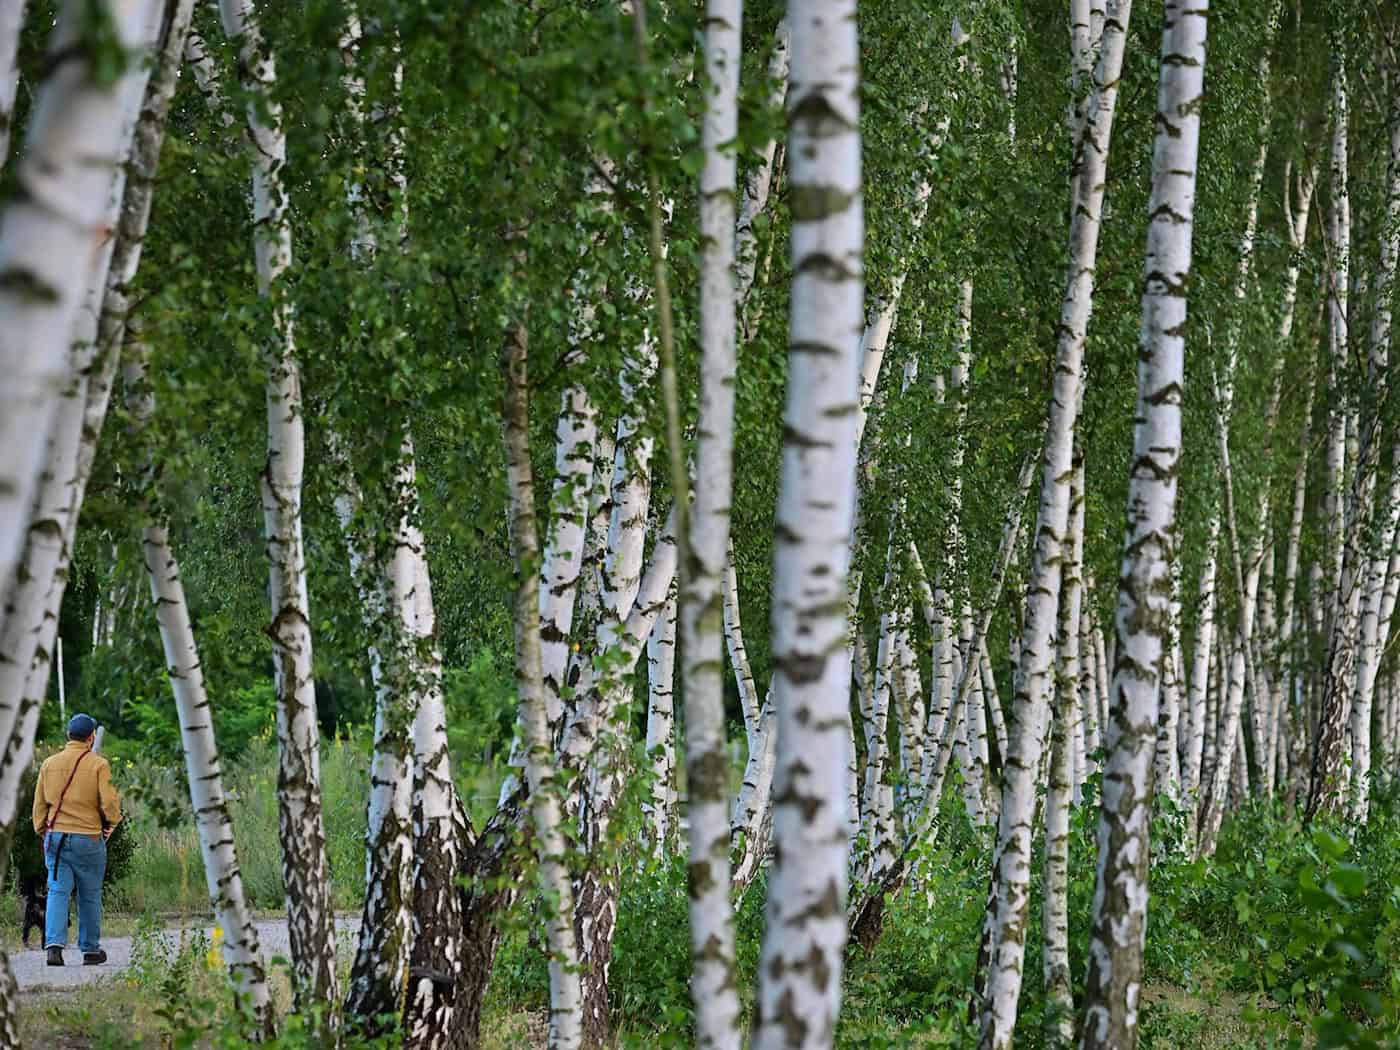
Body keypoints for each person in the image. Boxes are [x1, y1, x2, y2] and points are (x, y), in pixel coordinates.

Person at [31, 713, 121, 966]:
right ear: (91, 737)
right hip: (88, 838)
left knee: (58, 890)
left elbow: (39, 806)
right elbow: (110, 803)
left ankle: (54, 947)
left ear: (68, 736)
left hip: (56, 838)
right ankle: (90, 950)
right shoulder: (99, 765)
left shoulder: (49, 764)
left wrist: (43, 830)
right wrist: (113, 821)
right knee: (89, 893)